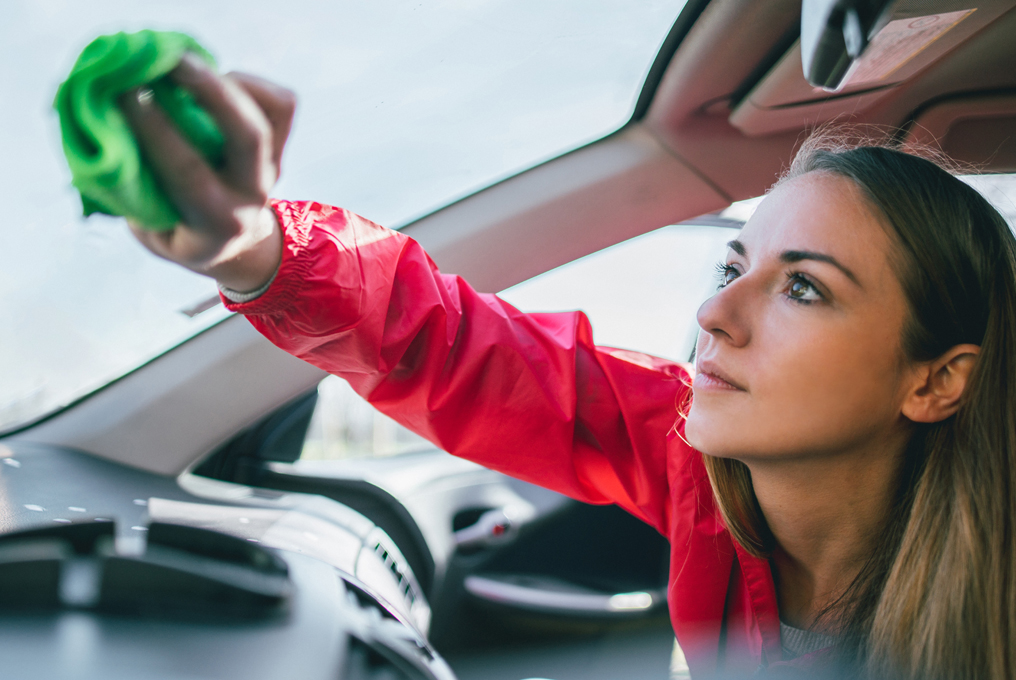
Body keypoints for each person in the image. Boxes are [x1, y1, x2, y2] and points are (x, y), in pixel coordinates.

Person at [119, 55, 1016, 680]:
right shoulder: (688, 456)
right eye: (733, 268)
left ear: (936, 380)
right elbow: (457, 348)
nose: (712, 316)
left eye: (806, 290)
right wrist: (255, 245)